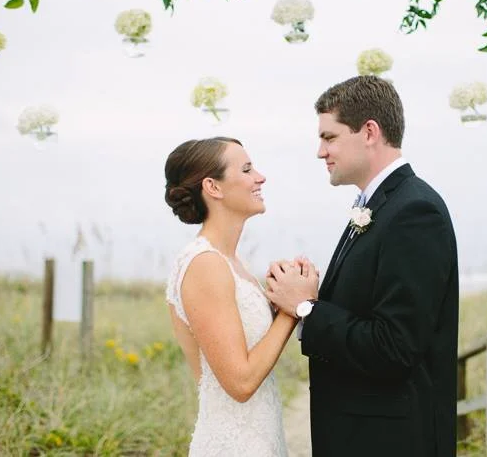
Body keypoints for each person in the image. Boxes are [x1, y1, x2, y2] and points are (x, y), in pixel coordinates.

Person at [266, 76, 460, 457]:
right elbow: (371, 310)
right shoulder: (380, 205)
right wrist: (309, 293)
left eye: (330, 137)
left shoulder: (414, 212)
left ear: (369, 131)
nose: (320, 152)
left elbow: (394, 347)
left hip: (393, 443)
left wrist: (307, 309)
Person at [163, 136, 319, 457]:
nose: (260, 177)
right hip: (233, 445)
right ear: (214, 187)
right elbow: (240, 383)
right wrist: (292, 310)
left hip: (260, 439)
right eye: (247, 169)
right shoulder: (205, 264)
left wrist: (283, 296)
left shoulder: (233, 263)